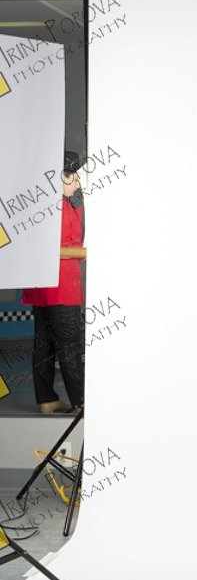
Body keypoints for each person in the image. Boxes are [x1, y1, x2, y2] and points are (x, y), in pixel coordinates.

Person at [21, 152, 86, 414]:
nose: (77, 182)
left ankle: (47, 399)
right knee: (70, 345)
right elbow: (62, 245)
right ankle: (81, 402)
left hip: (40, 285)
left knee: (44, 343)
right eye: (71, 176)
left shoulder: (37, 206)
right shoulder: (59, 207)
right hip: (62, 284)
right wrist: (82, 252)